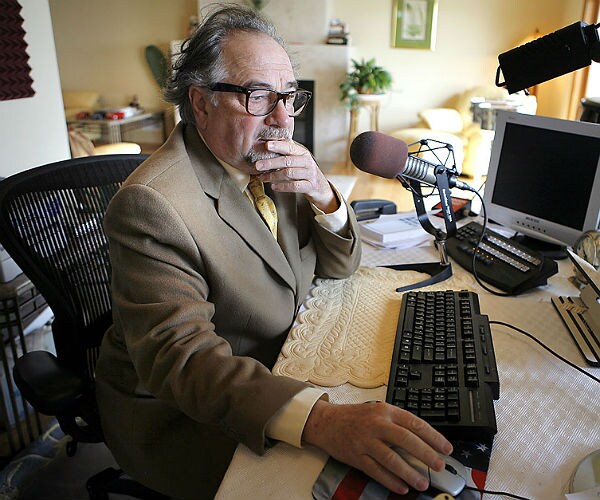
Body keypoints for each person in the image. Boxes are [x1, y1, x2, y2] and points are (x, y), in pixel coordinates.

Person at [95, 5, 452, 499]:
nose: (283, 118)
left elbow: (341, 266)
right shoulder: (151, 205)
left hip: (282, 356)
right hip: (186, 416)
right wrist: (321, 420)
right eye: (259, 96)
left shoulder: (267, 159)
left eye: (288, 95)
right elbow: (185, 361)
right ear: (201, 103)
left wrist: (324, 195)